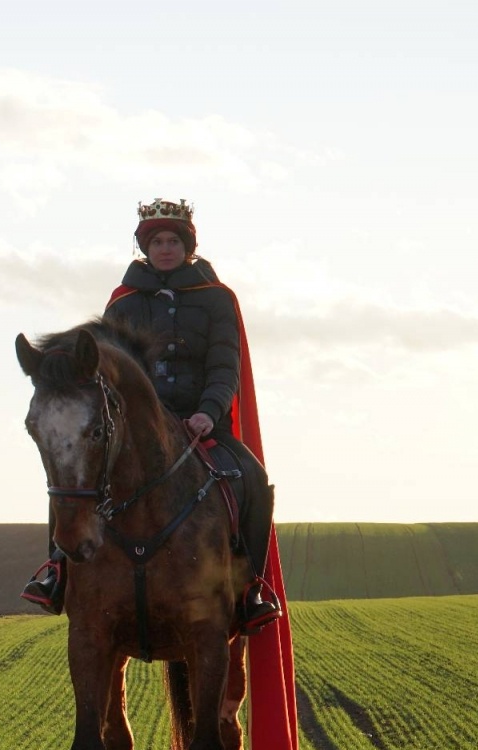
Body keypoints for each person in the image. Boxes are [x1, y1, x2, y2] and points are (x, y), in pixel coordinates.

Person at [21, 199, 284, 632]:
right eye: (157, 241)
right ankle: (56, 572)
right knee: (73, 477)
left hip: (200, 423)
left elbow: (225, 366)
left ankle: (250, 587)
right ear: (145, 247)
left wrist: (207, 412)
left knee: (251, 476)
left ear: (188, 246)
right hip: (138, 429)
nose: (165, 248)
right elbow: (100, 371)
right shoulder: (123, 300)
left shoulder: (217, 299)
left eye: (173, 241)